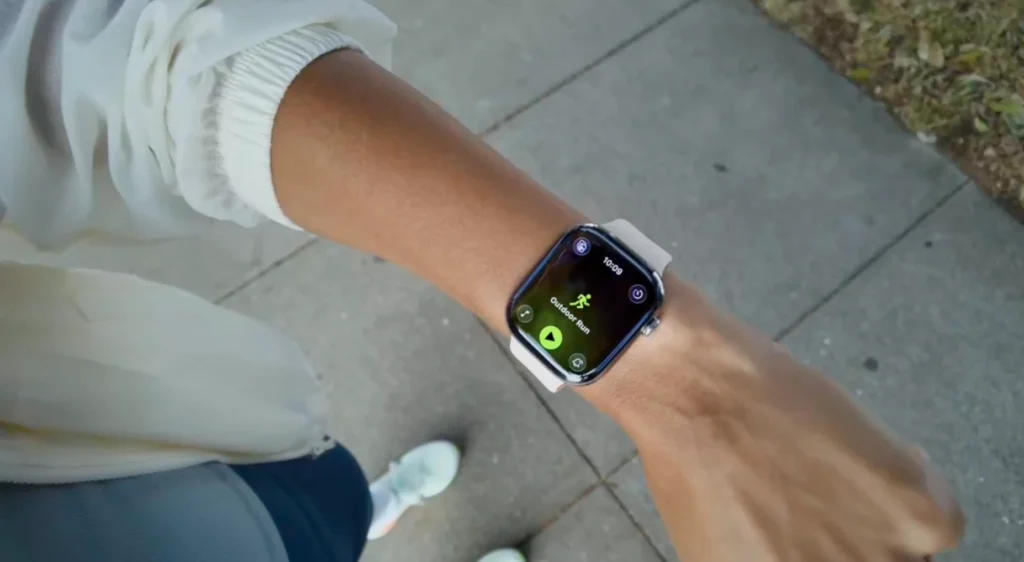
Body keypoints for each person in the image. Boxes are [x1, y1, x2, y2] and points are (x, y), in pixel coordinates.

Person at [0, 1, 965, 561]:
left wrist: (692, 390)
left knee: (330, 505)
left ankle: (374, 510)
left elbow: (92, 55)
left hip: (214, 463)